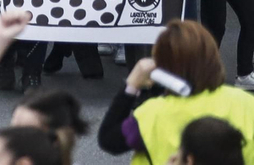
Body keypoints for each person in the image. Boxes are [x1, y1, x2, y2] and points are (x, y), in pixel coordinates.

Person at [98, 19, 254, 164]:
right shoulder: (247, 103)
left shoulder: (152, 115)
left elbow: (109, 140)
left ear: (161, 67)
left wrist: (132, 85)